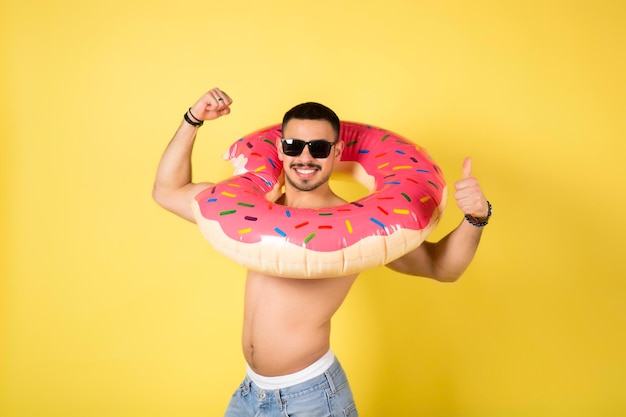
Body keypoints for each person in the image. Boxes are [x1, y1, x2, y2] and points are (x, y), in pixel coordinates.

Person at [152, 87, 491, 416]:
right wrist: (192, 119)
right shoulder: (251, 212)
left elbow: (441, 268)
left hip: (310, 399)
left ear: (337, 152)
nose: (305, 157)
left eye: (318, 147)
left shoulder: (360, 228)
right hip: (250, 392)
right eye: (294, 145)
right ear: (280, 150)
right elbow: (167, 191)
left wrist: (476, 219)